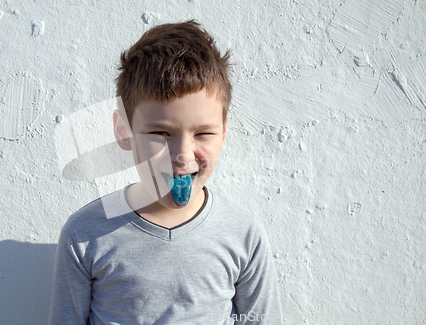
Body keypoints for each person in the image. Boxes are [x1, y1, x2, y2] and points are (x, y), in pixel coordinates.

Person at [49, 20, 283, 324]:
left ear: (224, 132)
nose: (182, 156)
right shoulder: (84, 235)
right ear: (124, 130)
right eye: (160, 133)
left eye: (203, 134)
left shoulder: (243, 234)